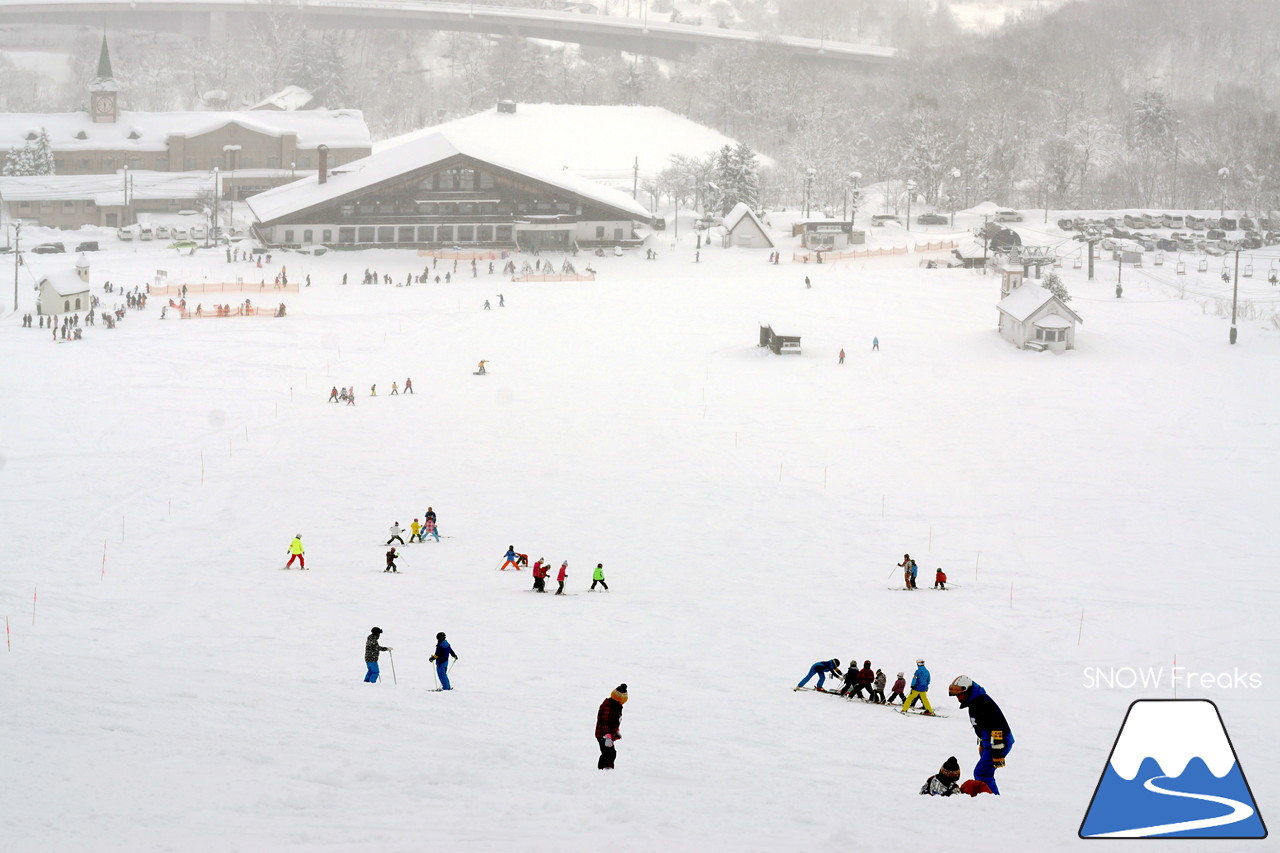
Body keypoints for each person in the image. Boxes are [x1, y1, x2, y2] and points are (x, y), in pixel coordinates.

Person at [950, 676, 1013, 794]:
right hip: (990, 742)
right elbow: (982, 727)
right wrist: (982, 744)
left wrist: (997, 753)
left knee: (982, 772)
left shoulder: (982, 703)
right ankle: (990, 797)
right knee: (984, 772)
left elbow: (996, 727)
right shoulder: (974, 703)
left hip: (999, 742)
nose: (958, 698)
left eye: (960, 695)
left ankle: (991, 800)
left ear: (967, 690)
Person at [595, 684, 627, 770]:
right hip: (603, 735)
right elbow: (605, 722)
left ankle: (603, 769)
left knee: (608, 753)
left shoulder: (615, 706)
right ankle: (606, 770)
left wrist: (616, 731)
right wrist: (607, 736)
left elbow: (614, 721)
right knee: (609, 753)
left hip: (607, 734)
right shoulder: (609, 707)